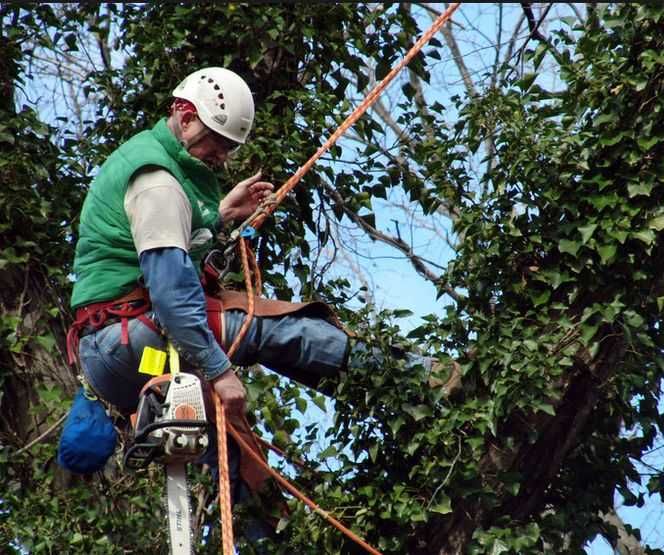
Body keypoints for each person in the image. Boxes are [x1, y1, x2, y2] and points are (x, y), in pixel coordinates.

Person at [65, 66, 458, 547]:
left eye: (229, 148)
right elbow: (170, 293)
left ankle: (278, 541)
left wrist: (219, 215)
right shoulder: (158, 182)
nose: (223, 157)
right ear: (184, 116)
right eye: (217, 142)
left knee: (237, 454)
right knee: (273, 326)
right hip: (135, 335)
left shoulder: (158, 169)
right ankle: (422, 378)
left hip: (112, 357)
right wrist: (218, 369)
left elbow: (162, 247)